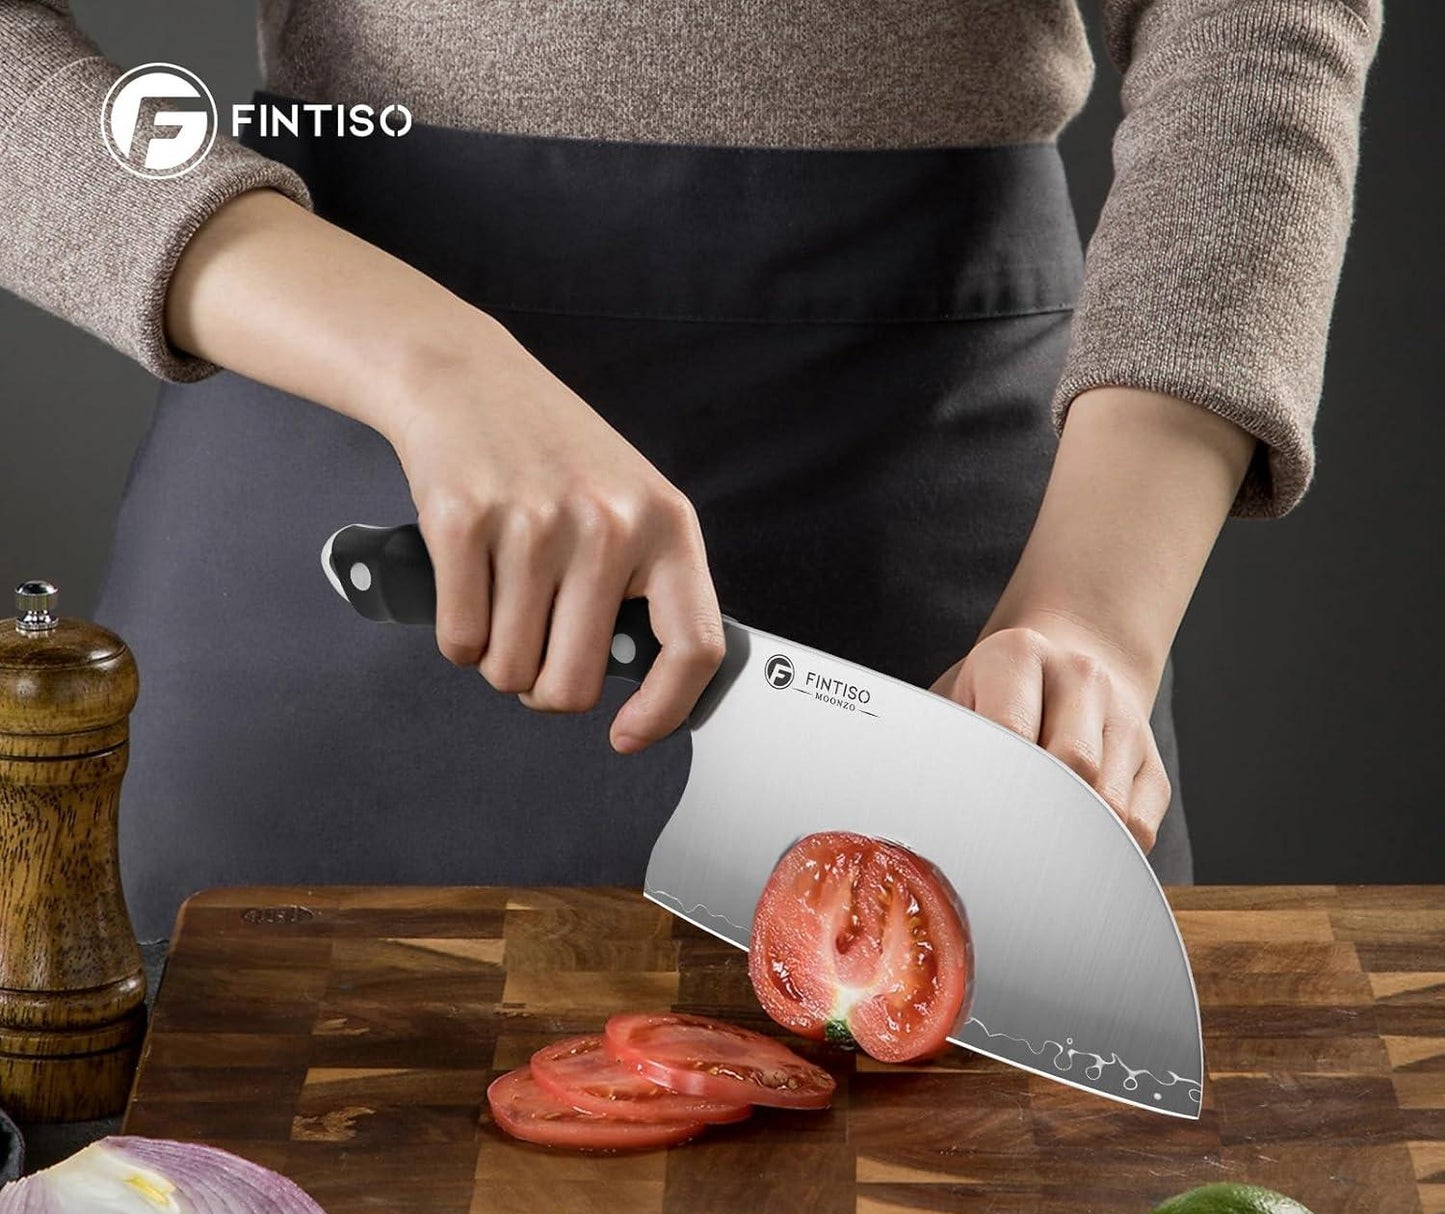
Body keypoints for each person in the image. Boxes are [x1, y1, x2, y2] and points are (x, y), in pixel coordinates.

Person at [0, 3, 1383, 942]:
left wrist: (1089, 612)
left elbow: (1258, 29)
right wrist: (427, 363)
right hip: (341, 464)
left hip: (957, 548)